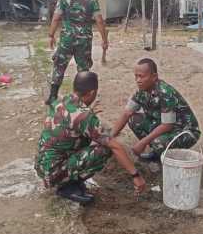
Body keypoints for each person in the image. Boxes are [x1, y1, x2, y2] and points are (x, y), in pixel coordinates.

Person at [35, 71, 147, 205]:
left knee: (88, 138)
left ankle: (66, 179)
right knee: (104, 150)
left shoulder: (62, 101)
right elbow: (115, 146)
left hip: (43, 165)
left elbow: (72, 123)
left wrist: (89, 113)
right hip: (53, 173)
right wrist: (136, 176)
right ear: (92, 92)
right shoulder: (84, 116)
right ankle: (66, 187)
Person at [112, 58, 201, 162]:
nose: (138, 80)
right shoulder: (142, 90)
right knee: (133, 120)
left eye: (141, 76)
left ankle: (159, 156)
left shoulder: (165, 92)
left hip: (184, 131)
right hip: (163, 124)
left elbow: (167, 125)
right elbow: (127, 113)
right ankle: (156, 151)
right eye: (136, 76)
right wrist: (110, 137)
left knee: (158, 142)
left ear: (154, 77)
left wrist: (143, 142)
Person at [46, 0, 108, 105]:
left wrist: (51, 35)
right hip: (84, 40)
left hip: (67, 39)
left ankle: (52, 96)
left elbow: (56, 18)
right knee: (83, 68)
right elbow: (99, 21)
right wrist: (104, 40)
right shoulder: (92, 1)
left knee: (59, 65)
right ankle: (83, 98)